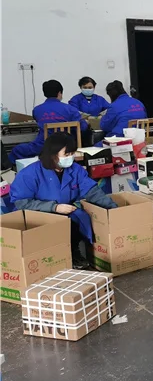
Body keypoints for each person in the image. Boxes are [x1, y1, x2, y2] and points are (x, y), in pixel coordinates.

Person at [10, 133, 118, 268]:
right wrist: (54, 207)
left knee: (81, 218)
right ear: (52, 154)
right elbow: (21, 202)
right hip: (37, 213)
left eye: (72, 153)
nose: (70, 157)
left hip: (65, 210)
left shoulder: (75, 170)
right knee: (59, 226)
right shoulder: (29, 174)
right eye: (66, 154)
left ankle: (74, 252)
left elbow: (91, 191)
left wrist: (114, 209)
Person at [8, 79, 89, 165]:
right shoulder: (71, 109)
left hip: (42, 147)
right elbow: (82, 128)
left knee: (17, 150)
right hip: (66, 147)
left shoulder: (37, 110)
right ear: (59, 93)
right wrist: (85, 122)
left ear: (45, 93)